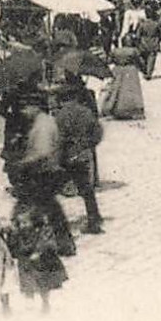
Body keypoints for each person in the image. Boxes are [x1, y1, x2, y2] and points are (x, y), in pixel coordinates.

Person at [11, 98, 75, 256]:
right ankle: (64, 244)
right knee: (51, 208)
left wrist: (22, 163)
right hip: (47, 171)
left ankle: (22, 243)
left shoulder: (42, 126)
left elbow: (42, 152)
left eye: (25, 108)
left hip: (42, 173)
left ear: (35, 106)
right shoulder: (44, 122)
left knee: (33, 207)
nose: (23, 112)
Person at [54, 88, 105, 234]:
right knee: (87, 190)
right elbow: (98, 132)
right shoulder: (86, 112)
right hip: (83, 155)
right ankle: (94, 219)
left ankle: (58, 225)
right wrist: (88, 144)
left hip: (67, 157)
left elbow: (59, 139)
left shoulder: (61, 116)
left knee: (54, 189)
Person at [8, 204, 67, 313]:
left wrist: (39, 252)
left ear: (34, 221)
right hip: (26, 262)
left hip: (42, 261)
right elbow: (13, 245)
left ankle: (45, 302)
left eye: (25, 223)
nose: (22, 226)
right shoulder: (18, 233)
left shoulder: (43, 230)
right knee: (27, 281)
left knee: (43, 282)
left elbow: (46, 242)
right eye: (19, 223)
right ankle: (29, 300)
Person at [100, 47, 146, 121]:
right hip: (131, 71)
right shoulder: (133, 50)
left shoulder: (115, 51)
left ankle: (112, 108)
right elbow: (140, 61)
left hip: (117, 70)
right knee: (131, 90)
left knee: (115, 91)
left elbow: (108, 61)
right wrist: (144, 70)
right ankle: (133, 109)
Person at [137, 6, 161, 80]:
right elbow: (160, 34)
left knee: (144, 58)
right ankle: (149, 73)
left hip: (144, 43)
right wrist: (158, 40)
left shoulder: (142, 24)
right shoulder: (156, 24)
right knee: (152, 59)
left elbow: (138, 35)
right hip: (153, 42)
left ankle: (145, 71)